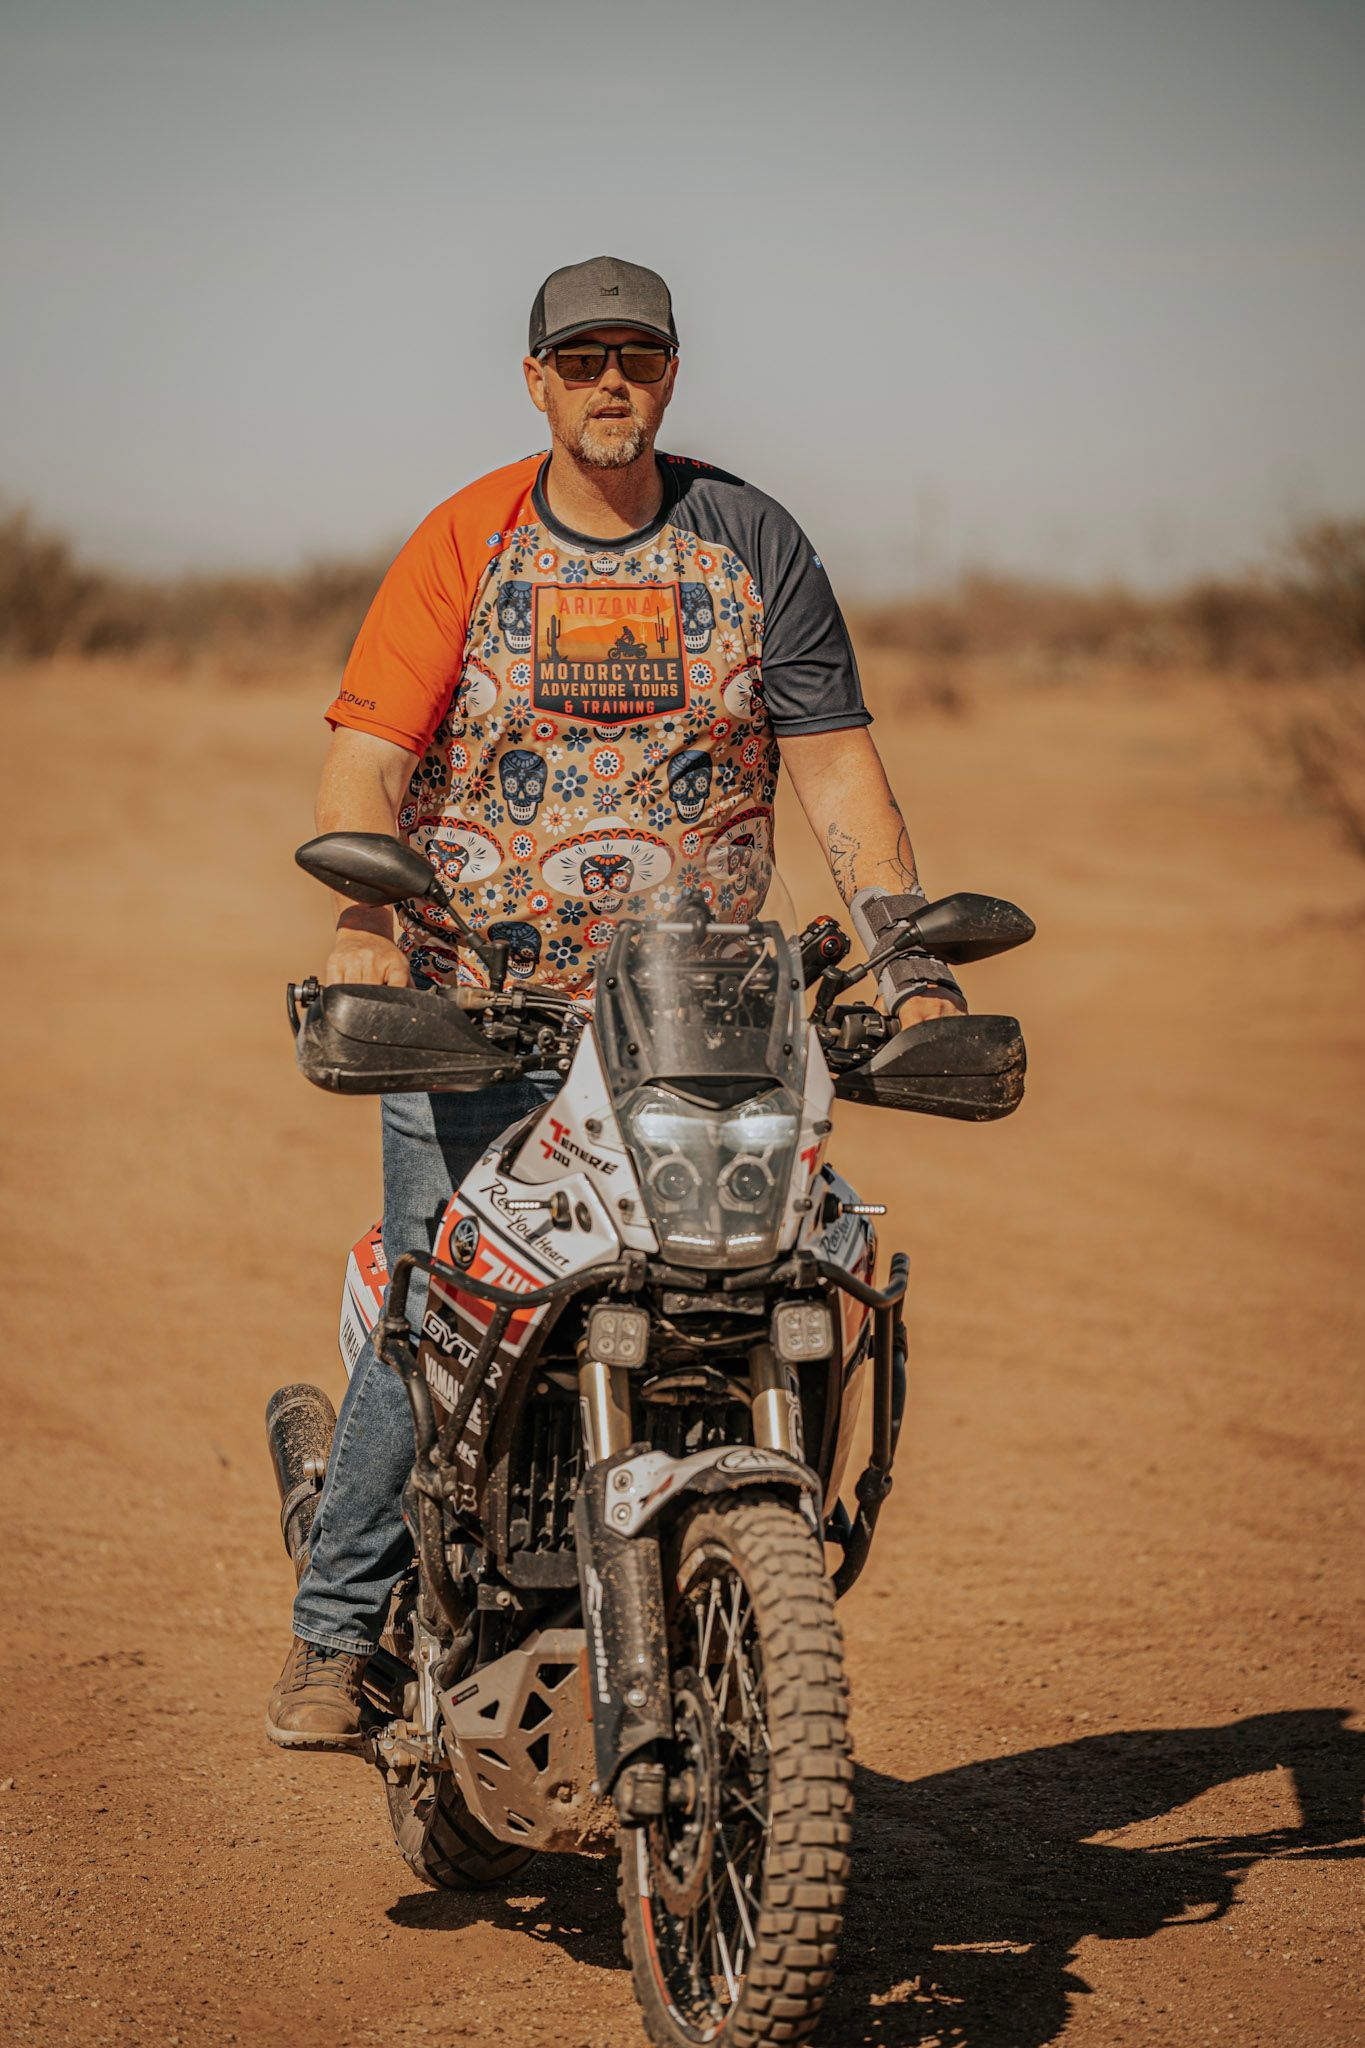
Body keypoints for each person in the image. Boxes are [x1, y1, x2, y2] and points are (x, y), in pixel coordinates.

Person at [267, 256, 965, 1749]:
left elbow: (832, 763)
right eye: (579, 358)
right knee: (439, 1308)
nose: (609, 381)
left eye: (635, 356)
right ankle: (338, 1636)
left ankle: (723, 1569)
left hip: (704, 1017)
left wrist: (905, 953)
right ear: (535, 381)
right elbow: (369, 759)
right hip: (478, 1009)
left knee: (758, 1288)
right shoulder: (466, 537)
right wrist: (364, 933)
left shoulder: (749, 539)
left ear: (668, 374)